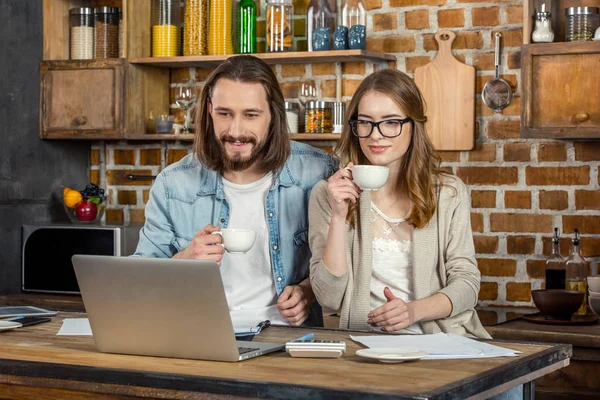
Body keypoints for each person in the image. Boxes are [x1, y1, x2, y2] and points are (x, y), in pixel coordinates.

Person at [134, 55, 337, 327]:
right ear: (209, 109)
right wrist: (183, 260)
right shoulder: (173, 184)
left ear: (273, 116)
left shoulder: (317, 171)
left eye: (251, 115)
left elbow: (342, 262)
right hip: (200, 332)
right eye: (224, 113)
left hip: (289, 340)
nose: (235, 130)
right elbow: (138, 282)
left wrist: (308, 291)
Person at [308, 68, 490, 338]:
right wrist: (338, 215)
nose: (375, 135)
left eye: (391, 122)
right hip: (364, 346)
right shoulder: (329, 194)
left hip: (442, 342)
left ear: (413, 125)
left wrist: (413, 311)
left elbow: (467, 284)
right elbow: (329, 299)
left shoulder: (448, 193)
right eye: (365, 122)